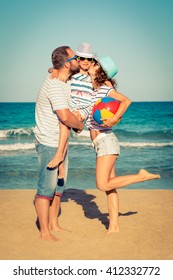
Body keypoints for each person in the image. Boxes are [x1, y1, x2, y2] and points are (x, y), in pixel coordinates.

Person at [86, 56, 161, 233]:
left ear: (101, 71)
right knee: (110, 187)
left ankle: (141, 176)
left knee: (102, 184)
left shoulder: (105, 88)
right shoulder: (94, 88)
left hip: (106, 140)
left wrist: (114, 118)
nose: (91, 64)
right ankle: (114, 226)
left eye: (95, 64)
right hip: (101, 143)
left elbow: (126, 101)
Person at [33, 46, 84, 241]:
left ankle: (54, 224)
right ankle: (44, 232)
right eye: (75, 57)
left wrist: (52, 68)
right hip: (49, 142)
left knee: (59, 186)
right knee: (46, 188)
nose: (78, 59)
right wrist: (79, 125)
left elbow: (57, 70)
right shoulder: (55, 85)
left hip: (59, 142)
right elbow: (64, 116)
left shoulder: (64, 80)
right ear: (66, 63)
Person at [47, 43, 95, 190]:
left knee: (65, 123)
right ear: (77, 60)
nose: (86, 61)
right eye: (82, 58)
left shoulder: (93, 76)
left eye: (89, 59)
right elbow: (56, 69)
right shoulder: (73, 74)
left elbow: (104, 85)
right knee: (65, 126)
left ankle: (59, 155)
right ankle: (61, 163)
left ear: (93, 61)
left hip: (84, 108)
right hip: (72, 104)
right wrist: (53, 70)